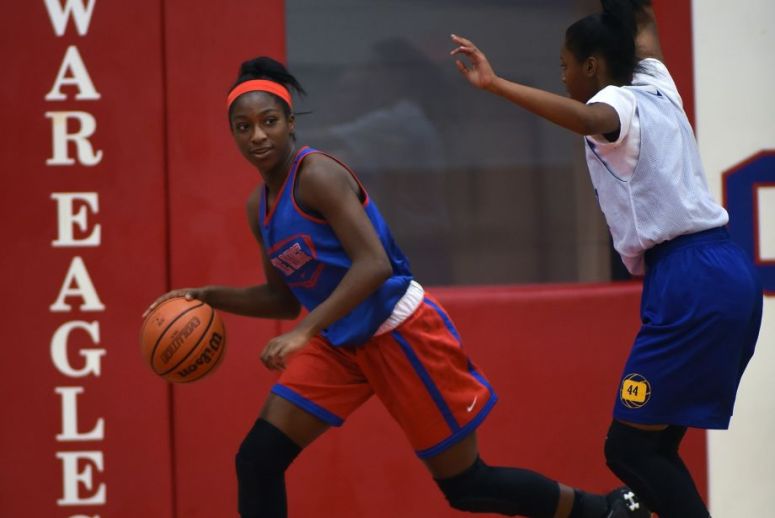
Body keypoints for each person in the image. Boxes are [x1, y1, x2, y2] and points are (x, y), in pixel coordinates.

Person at [144, 56, 649, 518]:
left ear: (291, 123)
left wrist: (302, 334)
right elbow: (280, 296)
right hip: (343, 344)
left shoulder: (316, 175)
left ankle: (600, 510)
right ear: (232, 134)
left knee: (467, 486)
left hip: (397, 330)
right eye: (243, 127)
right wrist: (208, 297)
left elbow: (375, 265)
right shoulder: (260, 207)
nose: (257, 135)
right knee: (257, 459)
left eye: (269, 122)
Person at [450, 1, 763, 517]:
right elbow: (640, 17)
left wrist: (496, 84)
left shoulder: (617, 104)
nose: (564, 75)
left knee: (628, 449)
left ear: (591, 66)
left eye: (564, 65)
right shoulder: (656, 78)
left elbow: (585, 116)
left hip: (690, 279)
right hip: (724, 271)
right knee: (654, 447)